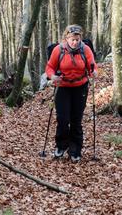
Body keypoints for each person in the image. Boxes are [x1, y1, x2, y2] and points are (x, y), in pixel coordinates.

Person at [45, 24, 97, 162]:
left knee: (76, 120)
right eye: (72, 39)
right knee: (63, 119)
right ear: (66, 38)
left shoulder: (85, 50)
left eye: (77, 39)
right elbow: (50, 67)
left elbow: (92, 65)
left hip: (80, 87)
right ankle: (61, 146)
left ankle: (75, 150)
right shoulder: (58, 50)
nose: (74, 42)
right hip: (62, 86)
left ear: (80, 38)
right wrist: (52, 76)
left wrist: (94, 72)